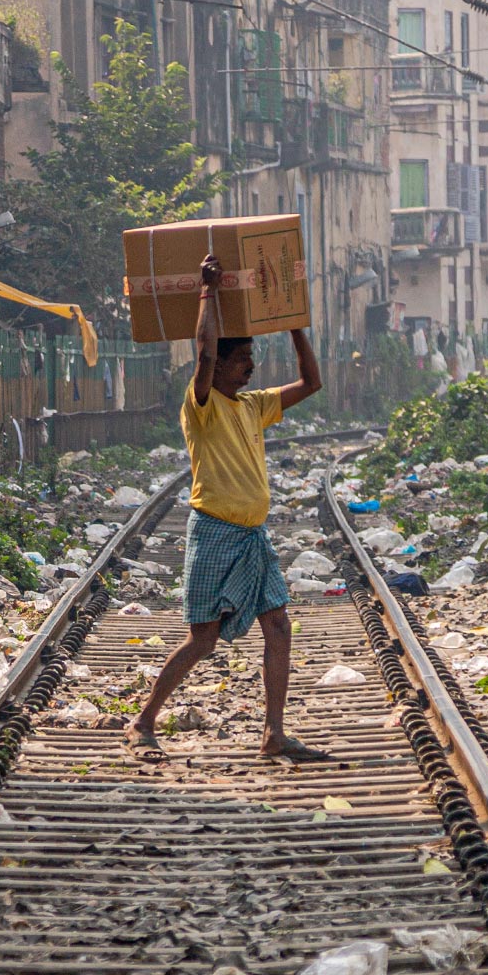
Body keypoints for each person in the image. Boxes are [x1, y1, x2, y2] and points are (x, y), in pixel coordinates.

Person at [128, 253, 328, 761]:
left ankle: (274, 734)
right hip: (215, 532)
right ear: (221, 365)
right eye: (242, 362)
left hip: (253, 536)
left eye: (251, 364)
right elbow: (202, 354)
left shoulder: (254, 405)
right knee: (203, 639)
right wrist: (207, 292)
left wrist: (295, 327)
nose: (250, 370)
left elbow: (311, 383)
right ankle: (144, 720)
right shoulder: (201, 403)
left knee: (279, 625)